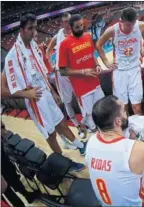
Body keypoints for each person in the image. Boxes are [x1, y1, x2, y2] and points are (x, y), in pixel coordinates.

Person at [3, 13, 86, 171]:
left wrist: (52, 90)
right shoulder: (12, 56)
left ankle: (80, 146)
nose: (34, 32)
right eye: (30, 28)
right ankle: (65, 164)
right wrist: (26, 94)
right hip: (35, 101)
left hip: (45, 93)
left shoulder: (34, 46)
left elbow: (40, 72)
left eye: (35, 27)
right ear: (21, 30)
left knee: (61, 122)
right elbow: (2, 90)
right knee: (51, 134)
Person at [85, 95, 144, 206]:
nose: (126, 113)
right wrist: (136, 141)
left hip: (104, 202)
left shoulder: (91, 141)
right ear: (118, 121)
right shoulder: (141, 148)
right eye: (124, 111)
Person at [96, 8, 144, 115]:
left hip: (135, 69)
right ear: (121, 21)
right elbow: (98, 44)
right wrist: (106, 62)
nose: (130, 27)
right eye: (128, 24)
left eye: (133, 24)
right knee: (123, 106)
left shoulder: (141, 26)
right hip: (119, 71)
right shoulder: (112, 30)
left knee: (136, 107)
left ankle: (139, 130)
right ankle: (127, 129)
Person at [59, 14, 105, 133]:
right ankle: (95, 134)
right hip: (82, 89)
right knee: (90, 118)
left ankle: (105, 135)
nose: (80, 29)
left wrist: (98, 65)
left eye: (81, 26)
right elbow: (62, 71)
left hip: (95, 82)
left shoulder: (88, 36)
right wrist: (83, 72)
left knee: (102, 109)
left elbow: (92, 54)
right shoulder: (64, 44)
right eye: (77, 27)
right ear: (70, 27)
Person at [46, 12, 86, 140]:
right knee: (67, 102)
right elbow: (48, 50)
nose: (68, 23)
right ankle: (77, 125)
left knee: (82, 98)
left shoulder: (78, 34)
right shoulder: (57, 36)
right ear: (61, 23)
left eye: (69, 20)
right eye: (65, 21)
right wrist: (49, 65)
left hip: (76, 72)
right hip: (62, 73)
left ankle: (87, 123)